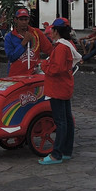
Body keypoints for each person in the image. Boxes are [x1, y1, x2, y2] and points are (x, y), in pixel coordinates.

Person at [39, 18, 77, 165]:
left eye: (52, 30)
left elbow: (56, 69)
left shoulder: (61, 48)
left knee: (61, 122)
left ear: (56, 31)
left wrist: (44, 65)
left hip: (57, 88)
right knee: (67, 120)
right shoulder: (68, 45)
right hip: (64, 86)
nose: (50, 33)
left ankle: (57, 154)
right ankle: (66, 151)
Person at [4, 7, 53, 75]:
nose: (24, 22)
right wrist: (23, 43)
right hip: (16, 75)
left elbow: (49, 50)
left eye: (26, 19)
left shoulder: (37, 33)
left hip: (33, 76)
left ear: (28, 20)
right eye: (21, 19)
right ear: (15, 20)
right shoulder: (9, 37)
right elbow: (11, 57)